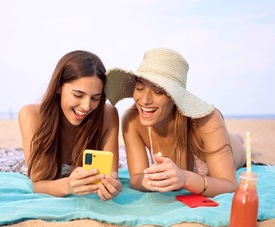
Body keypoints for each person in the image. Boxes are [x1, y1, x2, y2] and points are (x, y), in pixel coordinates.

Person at [105, 47, 246, 197]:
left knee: (237, 142)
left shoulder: (207, 120)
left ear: (175, 97)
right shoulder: (132, 120)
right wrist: (149, 181)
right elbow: (136, 178)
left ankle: (238, 138)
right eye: (139, 88)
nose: (145, 100)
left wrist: (185, 178)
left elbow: (229, 184)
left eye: (158, 91)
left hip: (234, 150)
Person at [19, 50, 122, 200]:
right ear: (59, 86)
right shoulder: (31, 115)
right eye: (78, 95)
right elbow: (37, 183)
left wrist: (111, 186)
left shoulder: (107, 114)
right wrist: (67, 186)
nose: (86, 106)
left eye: (95, 98)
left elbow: (111, 175)